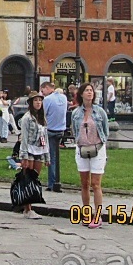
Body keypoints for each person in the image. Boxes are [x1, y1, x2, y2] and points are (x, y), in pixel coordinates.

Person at [71, 82, 110, 229]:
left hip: (98, 149)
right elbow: (74, 130)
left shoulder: (100, 112)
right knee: (84, 183)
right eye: (86, 91)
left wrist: (99, 143)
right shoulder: (76, 113)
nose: (89, 93)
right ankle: (86, 213)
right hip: (81, 149)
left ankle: (98, 215)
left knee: (96, 183)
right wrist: (79, 142)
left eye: (91, 91)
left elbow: (106, 131)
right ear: (81, 94)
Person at [19, 91, 49, 219]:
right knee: (28, 179)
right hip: (29, 150)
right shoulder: (27, 118)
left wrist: (47, 156)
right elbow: (24, 137)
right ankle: (27, 208)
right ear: (31, 103)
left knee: (35, 179)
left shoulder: (42, 118)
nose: (38, 103)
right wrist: (24, 155)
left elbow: (45, 137)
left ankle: (30, 207)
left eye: (40, 100)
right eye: (36, 100)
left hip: (40, 150)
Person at [41, 81, 67, 192]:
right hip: (61, 129)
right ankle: (56, 180)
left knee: (50, 157)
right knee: (55, 156)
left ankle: (52, 183)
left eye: (43, 91)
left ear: (47, 88)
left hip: (50, 130)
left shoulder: (47, 99)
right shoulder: (64, 98)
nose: (42, 93)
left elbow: (43, 114)